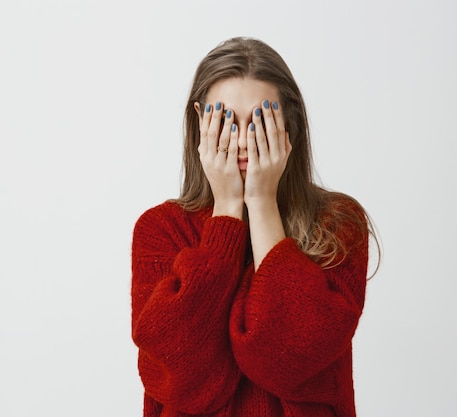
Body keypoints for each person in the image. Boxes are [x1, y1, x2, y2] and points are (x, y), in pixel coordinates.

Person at [131, 36, 379, 417]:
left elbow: (287, 362)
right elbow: (185, 378)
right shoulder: (161, 229)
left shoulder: (338, 223)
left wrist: (262, 203)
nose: (243, 141)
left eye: (261, 121)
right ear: (200, 123)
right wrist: (228, 209)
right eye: (225, 121)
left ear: (289, 124)